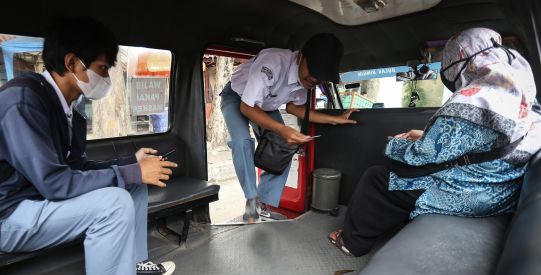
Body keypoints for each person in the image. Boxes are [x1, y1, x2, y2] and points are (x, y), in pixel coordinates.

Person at [0, 16, 178, 275]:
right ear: (71, 62)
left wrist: (131, 166)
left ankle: (132, 266)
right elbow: (56, 184)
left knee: (131, 186)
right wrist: (130, 172)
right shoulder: (22, 104)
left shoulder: (69, 113)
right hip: (0, 216)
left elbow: (75, 168)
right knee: (113, 203)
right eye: (102, 67)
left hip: (33, 200)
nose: (105, 78)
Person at [327, 28, 541, 257]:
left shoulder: (470, 102)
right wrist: (424, 135)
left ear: (460, 63)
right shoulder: (524, 97)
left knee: (378, 178)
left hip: (469, 194)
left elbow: (420, 156)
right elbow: (482, 145)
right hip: (501, 191)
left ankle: (352, 242)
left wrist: (392, 144)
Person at [219, 33, 358, 223]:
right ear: (301, 56)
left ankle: (263, 205)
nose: (314, 80)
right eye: (313, 72)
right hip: (236, 97)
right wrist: (282, 130)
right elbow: (247, 107)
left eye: (320, 78)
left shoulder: (306, 80)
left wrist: (334, 119)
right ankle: (251, 202)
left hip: (265, 105)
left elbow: (294, 108)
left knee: (284, 145)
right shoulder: (273, 63)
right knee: (241, 141)